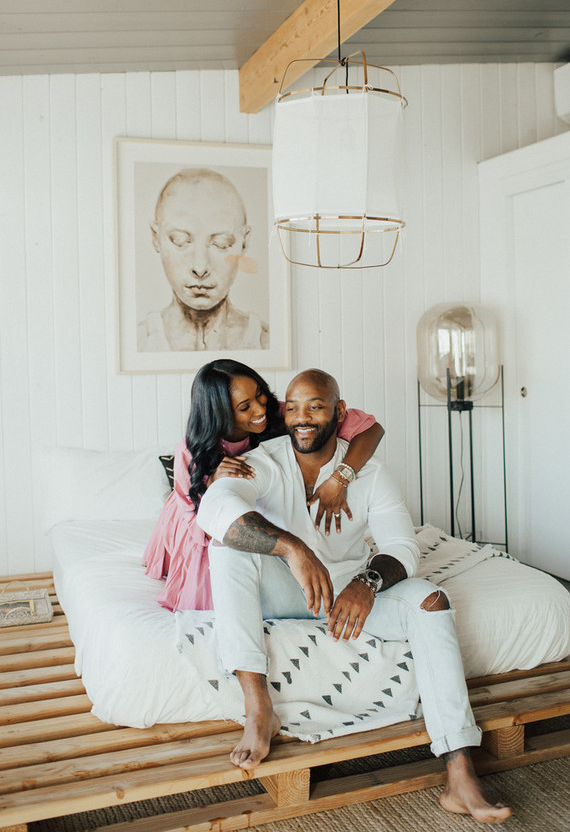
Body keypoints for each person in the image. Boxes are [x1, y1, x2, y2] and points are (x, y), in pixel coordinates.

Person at [196, 369, 513, 824]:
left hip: (347, 589)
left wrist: (368, 583)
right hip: (284, 587)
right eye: (293, 408)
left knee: (431, 601)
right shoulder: (263, 461)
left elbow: (402, 547)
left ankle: (460, 773)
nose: (302, 418)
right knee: (227, 547)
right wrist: (294, 549)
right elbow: (215, 508)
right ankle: (258, 708)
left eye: (316, 407)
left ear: (339, 411)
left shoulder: (369, 473)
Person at [143, 359, 384, 612]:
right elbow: (208, 522)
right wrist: (213, 482)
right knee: (220, 586)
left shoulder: (282, 413)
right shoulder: (191, 451)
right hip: (196, 511)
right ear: (219, 413)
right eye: (245, 407)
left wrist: (340, 478)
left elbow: (371, 429)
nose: (260, 410)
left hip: (258, 507)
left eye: (260, 395)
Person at [137, 168, 268, 352]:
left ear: (244, 241)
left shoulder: (265, 341)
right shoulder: (140, 342)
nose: (200, 267)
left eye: (221, 244)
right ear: (155, 237)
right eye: (180, 241)